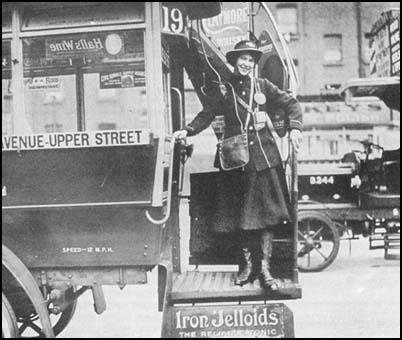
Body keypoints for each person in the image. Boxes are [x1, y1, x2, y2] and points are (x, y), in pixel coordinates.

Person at [174, 40, 303, 289]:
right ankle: (245, 267)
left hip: (264, 160)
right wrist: (187, 130)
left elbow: (292, 104)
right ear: (234, 62)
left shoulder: (263, 85)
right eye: (242, 59)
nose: (246, 63)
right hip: (236, 161)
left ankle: (265, 270)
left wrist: (295, 129)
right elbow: (207, 114)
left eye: (250, 60)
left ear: (254, 64)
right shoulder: (224, 90)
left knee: (265, 216)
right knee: (239, 215)